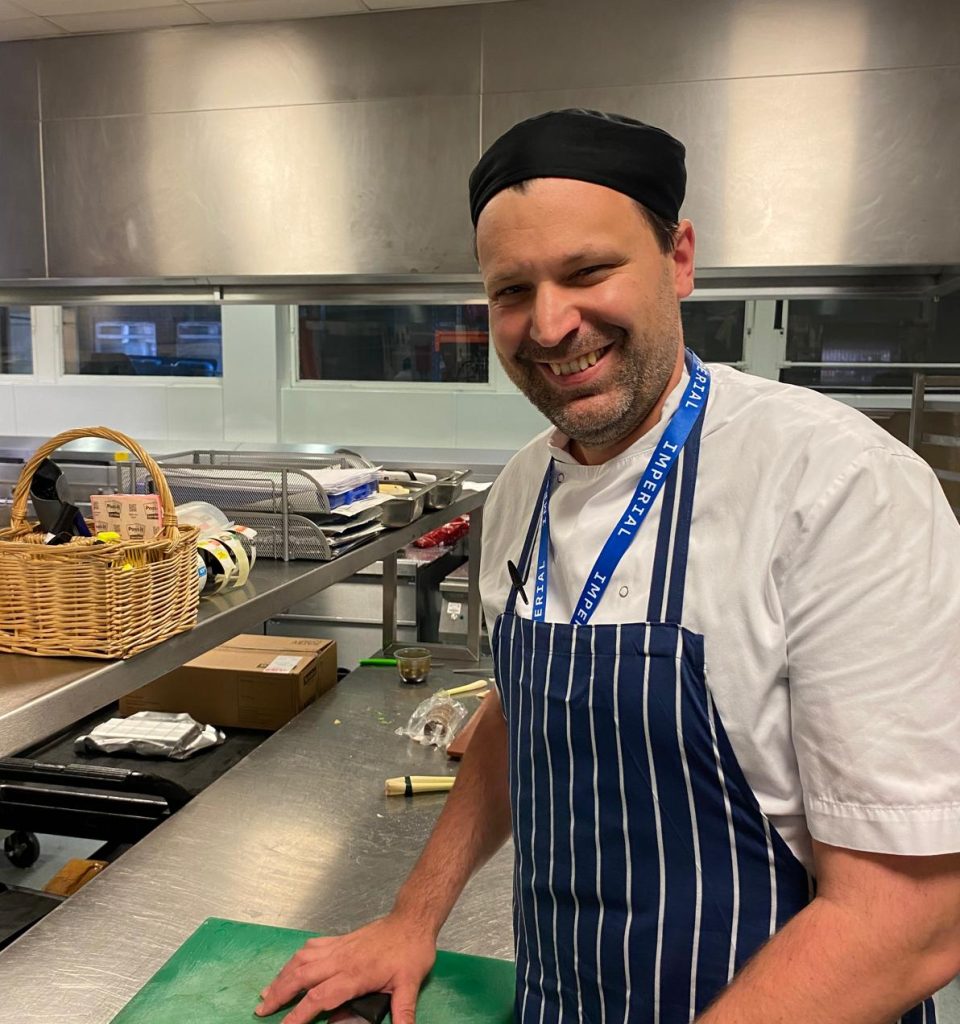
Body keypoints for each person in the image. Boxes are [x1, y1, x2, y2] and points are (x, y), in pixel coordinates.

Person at [256, 110, 960, 1024]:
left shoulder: (839, 488)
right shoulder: (521, 492)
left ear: (679, 260)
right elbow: (524, 713)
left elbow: (910, 919)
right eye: (513, 290)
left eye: (589, 272)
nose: (551, 324)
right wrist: (413, 914)